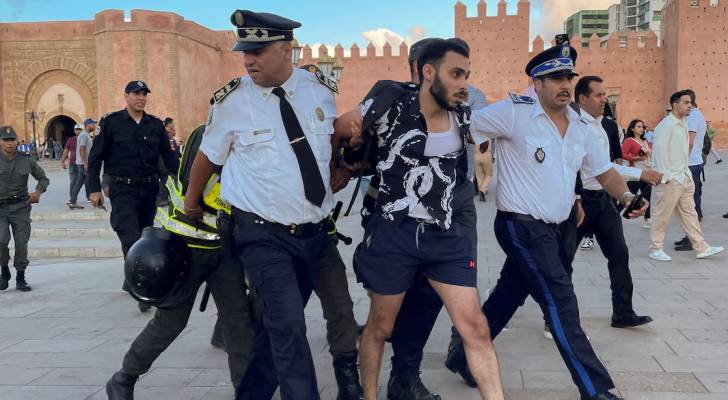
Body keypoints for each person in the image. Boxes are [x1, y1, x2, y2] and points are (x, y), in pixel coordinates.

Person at [450, 37, 647, 400]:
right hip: (520, 225)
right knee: (561, 300)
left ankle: (463, 355)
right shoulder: (514, 112)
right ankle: (595, 389)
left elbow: (603, 171)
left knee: (510, 294)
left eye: (569, 77)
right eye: (556, 78)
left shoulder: (581, 125)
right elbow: (459, 129)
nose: (565, 85)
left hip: (560, 227)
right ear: (537, 83)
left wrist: (627, 197)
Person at [183, 10, 350, 400]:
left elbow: (326, 142)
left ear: (286, 50)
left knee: (278, 326)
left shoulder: (318, 89)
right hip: (262, 235)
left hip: (314, 233)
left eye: (258, 51)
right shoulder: (232, 101)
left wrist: (339, 168)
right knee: (289, 325)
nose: (248, 60)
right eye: (245, 51)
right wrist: (191, 204)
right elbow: (207, 157)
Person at [338, 38, 505, 400]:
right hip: (394, 232)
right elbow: (340, 130)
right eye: (456, 74)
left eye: (467, 75)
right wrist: (345, 160)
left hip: (444, 234)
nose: (465, 84)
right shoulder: (389, 103)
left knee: (475, 327)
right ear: (428, 72)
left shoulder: (464, 114)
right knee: (380, 327)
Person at [105, 125, 254, 400]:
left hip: (225, 248)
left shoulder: (252, 134)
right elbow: (191, 188)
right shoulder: (208, 133)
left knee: (238, 320)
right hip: (189, 244)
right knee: (171, 321)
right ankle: (125, 377)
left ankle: (246, 390)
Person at [570, 75, 659, 329]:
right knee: (563, 259)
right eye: (598, 95)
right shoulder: (575, 126)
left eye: (605, 94)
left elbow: (609, 166)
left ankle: (623, 312)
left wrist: (629, 188)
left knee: (619, 253)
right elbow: (602, 168)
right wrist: (639, 174)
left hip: (603, 199)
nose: (604, 99)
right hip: (580, 201)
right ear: (583, 98)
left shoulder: (605, 125)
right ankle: (555, 316)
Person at [87, 80, 180, 312]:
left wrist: (184, 179)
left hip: (148, 190)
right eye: (136, 94)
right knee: (130, 237)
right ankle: (142, 287)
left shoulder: (155, 125)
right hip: (122, 190)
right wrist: (93, 189)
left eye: (144, 94)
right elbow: (95, 157)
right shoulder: (111, 123)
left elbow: (168, 158)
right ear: (126, 96)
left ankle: (131, 277)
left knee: (144, 236)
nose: (141, 98)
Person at [648, 90, 724, 262]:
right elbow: (659, 154)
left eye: (690, 102)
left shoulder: (683, 123)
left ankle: (701, 247)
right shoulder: (665, 126)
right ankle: (655, 248)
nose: (690, 105)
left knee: (690, 214)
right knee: (661, 215)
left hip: (684, 176)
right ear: (675, 105)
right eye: (686, 102)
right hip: (670, 179)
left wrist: (685, 174)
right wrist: (665, 178)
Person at [0, 125, 50, 292]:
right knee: (1, 241)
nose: (10, 143)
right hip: (1, 210)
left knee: (21, 243)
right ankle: (4, 270)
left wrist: (38, 192)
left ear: (17, 141)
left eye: (12, 140)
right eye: (6, 140)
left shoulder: (26, 159)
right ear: (0, 142)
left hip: (21, 207)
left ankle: (20, 277)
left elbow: (43, 178)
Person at [674, 89, 707, 251]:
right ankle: (691, 237)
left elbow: (690, 142)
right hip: (694, 162)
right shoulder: (695, 115)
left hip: (690, 163)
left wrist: (681, 160)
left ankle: (693, 239)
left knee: (689, 203)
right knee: (690, 202)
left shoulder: (693, 117)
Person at [621, 119, 653, 227]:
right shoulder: (629, 141)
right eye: (639, 126)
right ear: (632, 128)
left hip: (647, 172)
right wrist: (635, 158)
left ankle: (648, 218)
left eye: (643, 127)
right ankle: (615, 213)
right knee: (628, 195)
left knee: (648, 195)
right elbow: (622, 153)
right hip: (635, 173)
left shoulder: (646, 141)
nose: (642, 129)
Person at [61, 125, 84, 209]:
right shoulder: (70, 140)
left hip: (82, 163)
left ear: (82, 130)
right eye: (76, 129)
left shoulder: (85, 139)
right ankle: (72, 199)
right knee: (73, 181)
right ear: (74, 131)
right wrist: (62, 161)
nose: (78, 131)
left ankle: (90, 197)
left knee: (84, 181)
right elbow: (66, 150)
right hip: (73, 163)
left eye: (79, 129)